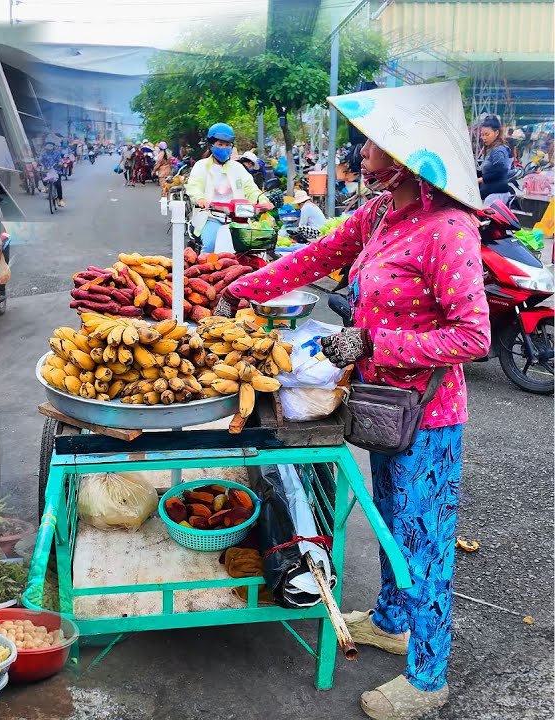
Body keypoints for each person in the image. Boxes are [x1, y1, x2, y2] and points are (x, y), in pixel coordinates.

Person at [214, 82, 489, 720]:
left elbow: (473, 337)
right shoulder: (381, 215)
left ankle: (429, 677)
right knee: (392, 518)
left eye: (372, 143)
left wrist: (372, 341)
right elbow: (314, 258)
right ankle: (392, 621)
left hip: (428, 417)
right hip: (380, 405)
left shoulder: (449, 230)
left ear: (406, 159)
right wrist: (244, 289)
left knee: (426, 541)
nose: (361, 151)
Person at [185, 123, 266, 253]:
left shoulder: (238, 168)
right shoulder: (201, 166)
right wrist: (200, 199)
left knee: (248, 249)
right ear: (211, 146)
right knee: (210, 245)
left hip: (238, 219)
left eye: (228, 145)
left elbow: (251, 188)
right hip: (210, 217)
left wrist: (262, 201)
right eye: (220, 144)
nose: (224, 148)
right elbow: (194, 187)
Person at [477, 114, 513, 206]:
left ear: (496, 133)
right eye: (482, 135)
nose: (484, 138)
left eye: (487, 134)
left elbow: (500, 171)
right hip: (491, 194)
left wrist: (481, 179)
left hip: (496, 196)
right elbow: (488, 171)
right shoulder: (491, 149)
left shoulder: (498, 150)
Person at [39, 142, 65, 207]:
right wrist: (39, 164)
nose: (49, 149)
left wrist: (60, 163)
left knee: (58, 185)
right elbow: (40, 160)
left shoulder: (57, 153)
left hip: (56, 170)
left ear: (53, 147)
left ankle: (60, 199)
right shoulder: (43, 154)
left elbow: (60, 160)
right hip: (47, 170)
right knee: (43, 178)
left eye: (51, 147)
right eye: (48, 148)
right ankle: (46, 188)